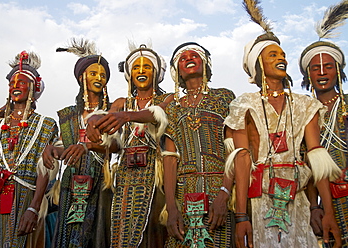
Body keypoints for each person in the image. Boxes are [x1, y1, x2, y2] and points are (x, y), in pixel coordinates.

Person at [224, 1, 342, 247]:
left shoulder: (304, 104)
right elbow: (242, 160)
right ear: (258, 64)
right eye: (273, 55)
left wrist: (326, 210)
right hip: (259, 202)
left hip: (297, 200)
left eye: (283, 55)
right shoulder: (244, 104)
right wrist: (242, 215)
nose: (282, 59)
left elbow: (316, 156)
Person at [87, 43, 173, 247]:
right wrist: (93, 122)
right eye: (136, 67)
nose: (141, 71)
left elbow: (156, 113)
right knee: (121, 231)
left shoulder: (168, 99)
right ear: (129, 74)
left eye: (147, 67)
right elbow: (104, 116)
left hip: (156, 176)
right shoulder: (121, 103)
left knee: (154, 232)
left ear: (155, 72)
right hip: (126, 176)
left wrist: (126, 116)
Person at [42, 38, 118, 248]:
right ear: (81, 77)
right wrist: (52, 150)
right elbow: (64, 146)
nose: (99, 78)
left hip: (102, 181)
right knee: (68, 235)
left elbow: (118, 146)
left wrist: (89, 146)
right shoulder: (68, 115)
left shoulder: (114, 110)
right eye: (93, 73)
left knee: (97, 236)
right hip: (71, 182)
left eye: (103, 75)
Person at [0, 51, 58, 248]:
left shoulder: (45, 125)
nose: (15, 86)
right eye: (12, 82)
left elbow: (45, 168)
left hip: (27, 199)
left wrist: (34, 208)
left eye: (21, 82)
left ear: (34, 87)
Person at [162, 42, 235, 248]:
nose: (188, 59)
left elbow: (232, 150)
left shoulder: (223, 97)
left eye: (194, 56)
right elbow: (169, 160)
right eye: (182, 59)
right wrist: (171, 208)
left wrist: (225, 193)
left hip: (218, 189)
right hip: (184, 192)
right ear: (177, 71)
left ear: (205, 64)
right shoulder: (173, 109)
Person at [299, 1, 348, 246]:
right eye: (315, 68)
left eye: (327, 66)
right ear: (308, 75)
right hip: (328, 200)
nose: (321, 72)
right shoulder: (304, 114)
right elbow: (306, 166)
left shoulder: (347, 103)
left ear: (338, 71)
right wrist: (313, 207)